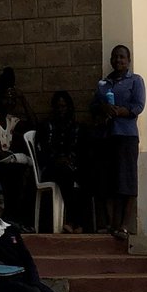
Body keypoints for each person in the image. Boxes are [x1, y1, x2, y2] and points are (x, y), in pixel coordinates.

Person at [94, 44, 145, 240]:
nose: (118, 61)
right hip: (106, 136)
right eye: (115, 57)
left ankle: (124, 225)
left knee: (128, 182)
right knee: (108, 181)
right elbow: (94, 105)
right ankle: (110, 224)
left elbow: (138, 106)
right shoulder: (103, 84)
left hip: (126, 136)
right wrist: (103, 109)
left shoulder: (135, 81)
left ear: (128, 60)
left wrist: (120, 111)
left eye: (122, 57)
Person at [0, 67, 38, 227]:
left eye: (12, 98)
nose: (9, 102)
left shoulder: (10, 120)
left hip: (5, 166)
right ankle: (12, 218)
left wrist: (23, 99)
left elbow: (34, 125)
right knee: (18, 172)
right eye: (5, 98)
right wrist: (21, 158)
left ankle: (22, 220)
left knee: (29, 176)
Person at [36, 90, 85, 233]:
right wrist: (57, 160)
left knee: (84, 175)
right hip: (51, 169)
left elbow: (78, 150)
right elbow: (43, 152)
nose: (61, 110)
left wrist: (70, 160)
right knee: (66, 176)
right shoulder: (47, 127)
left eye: (64, 106)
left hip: (71, 167)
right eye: (58, 106)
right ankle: (74, 220)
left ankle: (78, 221)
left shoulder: (74, 127)